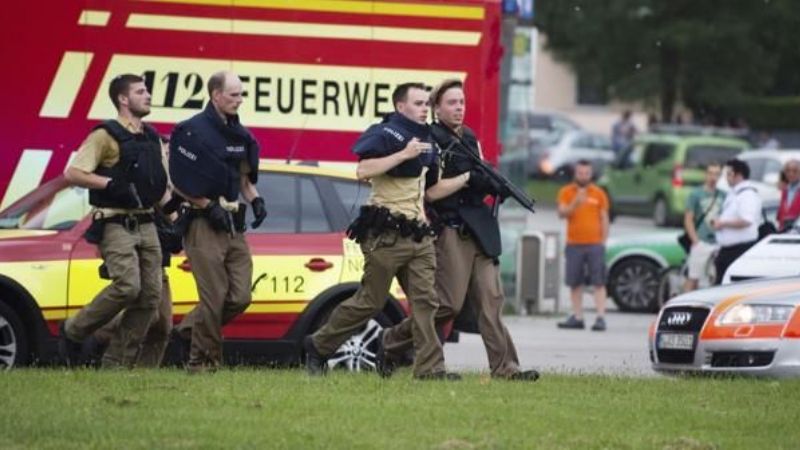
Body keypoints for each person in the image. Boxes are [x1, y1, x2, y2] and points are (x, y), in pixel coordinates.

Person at [380, 79, 538, 381]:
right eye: (452, 103)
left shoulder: (470, 138)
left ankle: (506, 368)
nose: (459, 108)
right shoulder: (431, 140)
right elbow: (431, 192)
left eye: (462, 102)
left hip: (480, 228)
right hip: (451, 229)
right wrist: (467, 177)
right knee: (446, 305)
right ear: (437, 108)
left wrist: (490, 184)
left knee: (491, 302)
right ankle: (391, 341)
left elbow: (478, 177)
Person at [304, 83, 455, 380]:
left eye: (427, 103)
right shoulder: (384, 132)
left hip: (419, 234)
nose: (426, 108)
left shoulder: (430, 140)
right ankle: (318, 345)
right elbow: (363, 170)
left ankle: (429, 369)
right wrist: (402, 154)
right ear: (401, 107)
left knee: (427, 302)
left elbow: (430, 190)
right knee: (370, 301)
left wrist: (467, 177)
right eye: (419, 103)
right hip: (385, 233)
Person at [59, 74, 169, 368]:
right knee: (128, 286)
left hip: (147, 223)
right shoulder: (104, 135)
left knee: (149, 298)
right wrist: (108, 184)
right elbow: (73, 173)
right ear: (123, 99)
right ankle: (74, 330)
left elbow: (160, 187)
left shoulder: (152, 137)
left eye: (147, 91)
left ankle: (115, 365)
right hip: (115, 223)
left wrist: (175, 215)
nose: (148, 96)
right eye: (140, 91)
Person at [168, 71, 268, 373]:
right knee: (214, 298)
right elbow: (178, 181)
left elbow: (243, 179)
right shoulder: (190, 132)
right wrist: (206, 205)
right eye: (233, 95)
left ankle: (187, 332)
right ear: (215, 95)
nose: (239, 100)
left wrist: (256, 200)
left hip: (234, 225)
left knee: (240, 296)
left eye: (241, 94)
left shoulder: (241, 135)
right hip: (203, 224)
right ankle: (203, 363)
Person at [90, 207, 182, 368]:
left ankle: (143, 373)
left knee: (162, 326)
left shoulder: (167, 184)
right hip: (137, 251)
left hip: (158, 255)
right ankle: (94, 333)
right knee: (148, 315)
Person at [556, 160, 609, 331]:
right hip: (574, 244)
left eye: (587, 173)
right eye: (580, 173)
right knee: (575, 282)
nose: (583, 176)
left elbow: (604, 217)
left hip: (595, 244)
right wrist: (575, 203)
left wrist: (603, 240)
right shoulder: (566, 192)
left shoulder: (599, 193)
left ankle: (600, 317)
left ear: (591, 174)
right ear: (575, 173)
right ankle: (577, 316)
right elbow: (561, 213)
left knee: (598, 282)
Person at [712, 159, 762, 284]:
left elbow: (747, 220)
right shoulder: (735, 193)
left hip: (739, 249)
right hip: (727, 250)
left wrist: (722, 223)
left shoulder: (747, 194)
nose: (726, 178)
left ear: (738, 175)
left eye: (728, 174)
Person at [682, 163, 725, 292]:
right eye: (711, 173)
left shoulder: (724, 195)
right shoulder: (696, 194)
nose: (713, 177)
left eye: (717, 174)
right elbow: (688, 219)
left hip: (718, 242)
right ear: (706, 175)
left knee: (713, 279)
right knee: (693, 277)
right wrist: (695, 240)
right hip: (701, 240)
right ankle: (684, 306)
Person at [777, 159, 800, 231]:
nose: (791, 174)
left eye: (795, 171)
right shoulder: (785, 190)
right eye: (788, 171)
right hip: (785, 231)